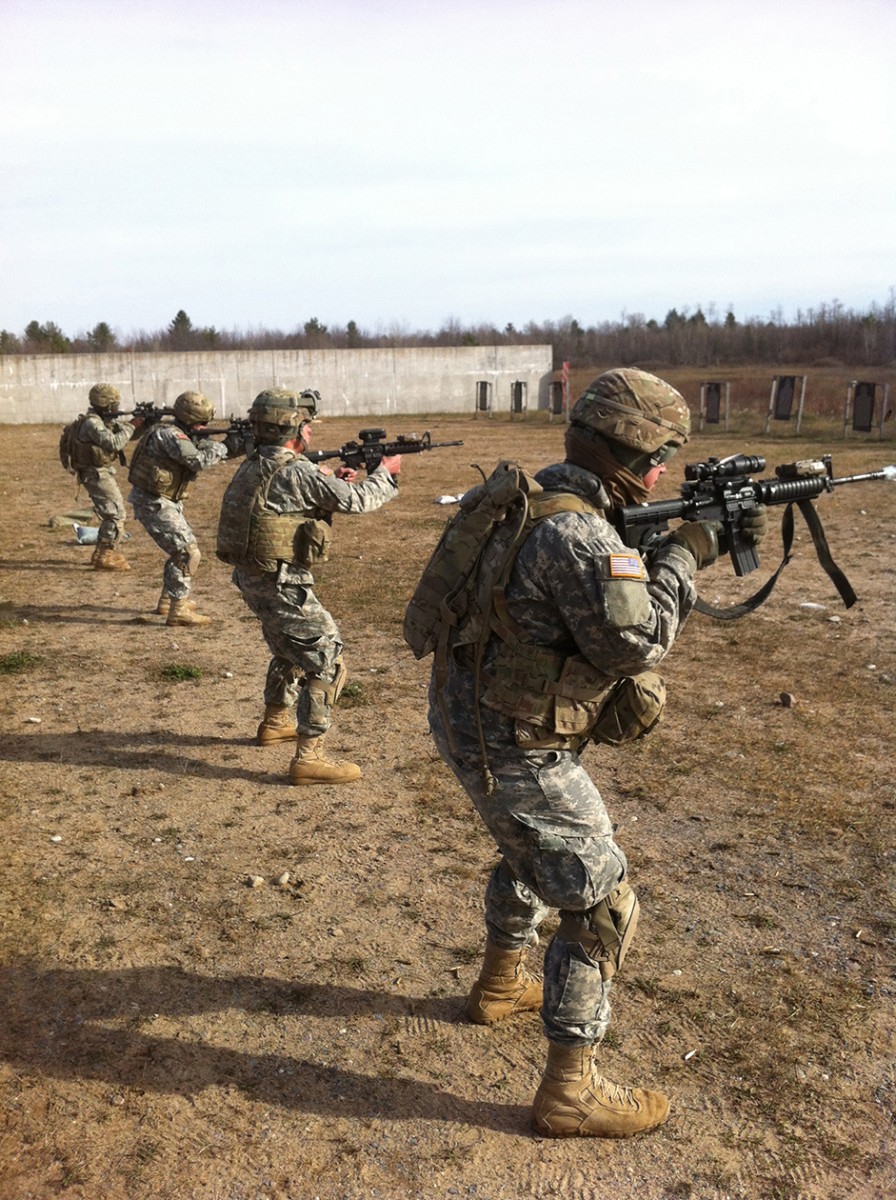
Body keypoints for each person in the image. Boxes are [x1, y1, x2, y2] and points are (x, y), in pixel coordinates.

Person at [423, 368, 766, 1138]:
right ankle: (570, 1089)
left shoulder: (532, 498)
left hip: (470, 720)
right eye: (661, 458)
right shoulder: (578, 535)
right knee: (601, 898)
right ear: (631, 454)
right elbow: (637, 643)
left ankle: (500, 984)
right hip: (512, 744)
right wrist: (686, 553)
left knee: (534, 854)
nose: (665, 474)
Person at [216, 387, 400, 785]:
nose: (311, 431)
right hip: (281, 581)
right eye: (307, 424)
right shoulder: (297, 470)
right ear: (295, 427)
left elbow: (287, 502)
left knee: (289, 648)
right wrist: (387, 473)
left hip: (256, 579)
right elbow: (356, 500)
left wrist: (330, 481)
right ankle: (309, 756)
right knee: (326, 656)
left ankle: (275, 722)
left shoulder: (253, 465)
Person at [128, 390, 243, 626]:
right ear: (189, 420)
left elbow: (203, 450)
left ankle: (169, 602)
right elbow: (198, 460)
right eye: (201, 423)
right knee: (187, 552)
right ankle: (177, 611)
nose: (204, 427)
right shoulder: (169, 435)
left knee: (179, 550)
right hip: (153, 502)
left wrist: (234, 446)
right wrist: (226, 447)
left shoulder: (176, 431)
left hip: (164, 499)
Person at [67, 384, 137, 571]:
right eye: (114, 405)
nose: (117, 408)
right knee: (115, 514)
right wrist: (132, 425)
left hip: (98, 472)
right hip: (95, 474)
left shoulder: (100, 420)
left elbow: (125, 435)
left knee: (111, 513)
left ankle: (100, 552)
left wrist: (141, 425)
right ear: (105, 404)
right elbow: (114, 442)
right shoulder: (92, 423)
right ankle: (106, 555)